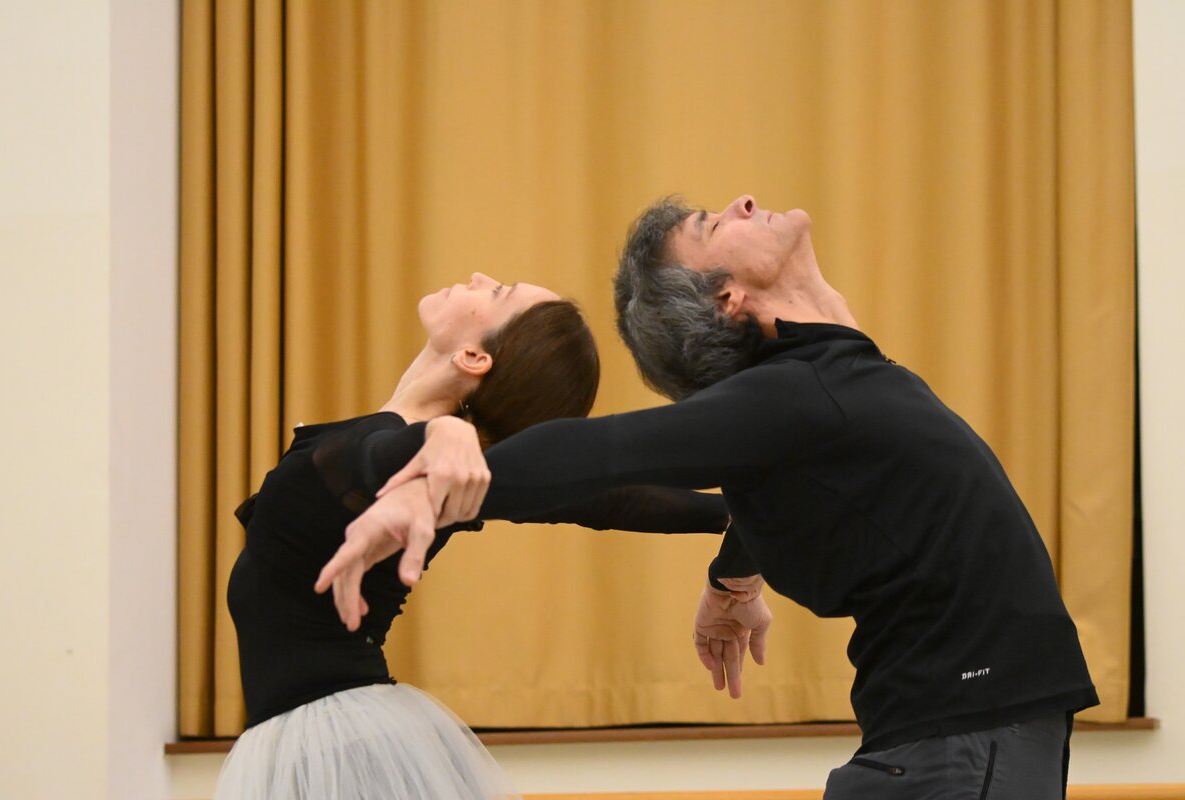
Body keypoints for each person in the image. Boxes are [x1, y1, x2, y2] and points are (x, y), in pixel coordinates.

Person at [323, 197, 1099, 800]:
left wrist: (732, 579)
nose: (745, 202)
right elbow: (606, 453)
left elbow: (785, 474)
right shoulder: (800, 394)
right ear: (727, 296)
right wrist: (428, 485)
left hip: (958, 738)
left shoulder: (822, 392)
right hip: (956, 743)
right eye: (712, 223)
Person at [218, 271, 729, 800]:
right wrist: (734, 515)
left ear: (473, 357)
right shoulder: (451, 474)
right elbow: (606, 498)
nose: (480, 278)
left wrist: (441, 434)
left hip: (333, 745)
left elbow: (377, 456)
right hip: (337, 738)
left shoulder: (414, 458)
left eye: (498, 292)